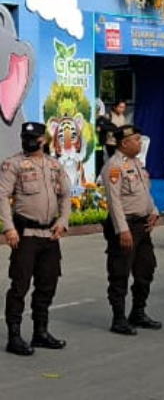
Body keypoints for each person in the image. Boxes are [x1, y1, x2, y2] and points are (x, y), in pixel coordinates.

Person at [0, 122, 71, 356]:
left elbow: (66, 194)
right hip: (25, 236)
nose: (28, 140)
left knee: (47, 284)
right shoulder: (14, 164)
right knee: (19, 285)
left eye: (33, 137)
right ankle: (14, 336)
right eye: (25, 137)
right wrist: (9, 228)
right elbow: (2, 196)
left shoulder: (53, 165)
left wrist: (63, 221)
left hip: (50, 235)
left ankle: (40, 332)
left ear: (44, 140)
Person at [101, 125, 161, 335]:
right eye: (136, 139)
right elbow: (114, 201)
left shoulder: (136, 163)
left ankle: (138, 312)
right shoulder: (114, 167)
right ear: (124, 143)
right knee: (120, 272)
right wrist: (122, 230)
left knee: (146, 269)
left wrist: (153, 210)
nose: (140, 142)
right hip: (126, 226)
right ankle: (118, 318)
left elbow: (144, 192)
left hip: (143, 225)